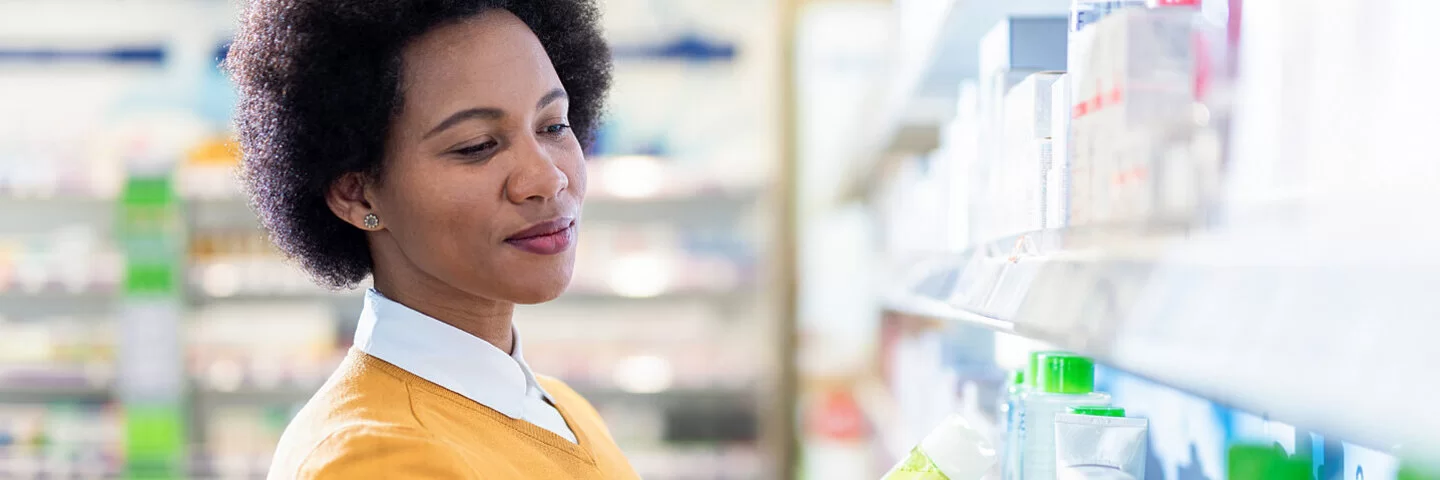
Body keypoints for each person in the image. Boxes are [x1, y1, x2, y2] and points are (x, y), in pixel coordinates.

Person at [226, 0, 632, 478]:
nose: (547, 177)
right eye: (477, 146)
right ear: (357, 194)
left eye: (553, 125)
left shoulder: (566, 410)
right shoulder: (373, 458)